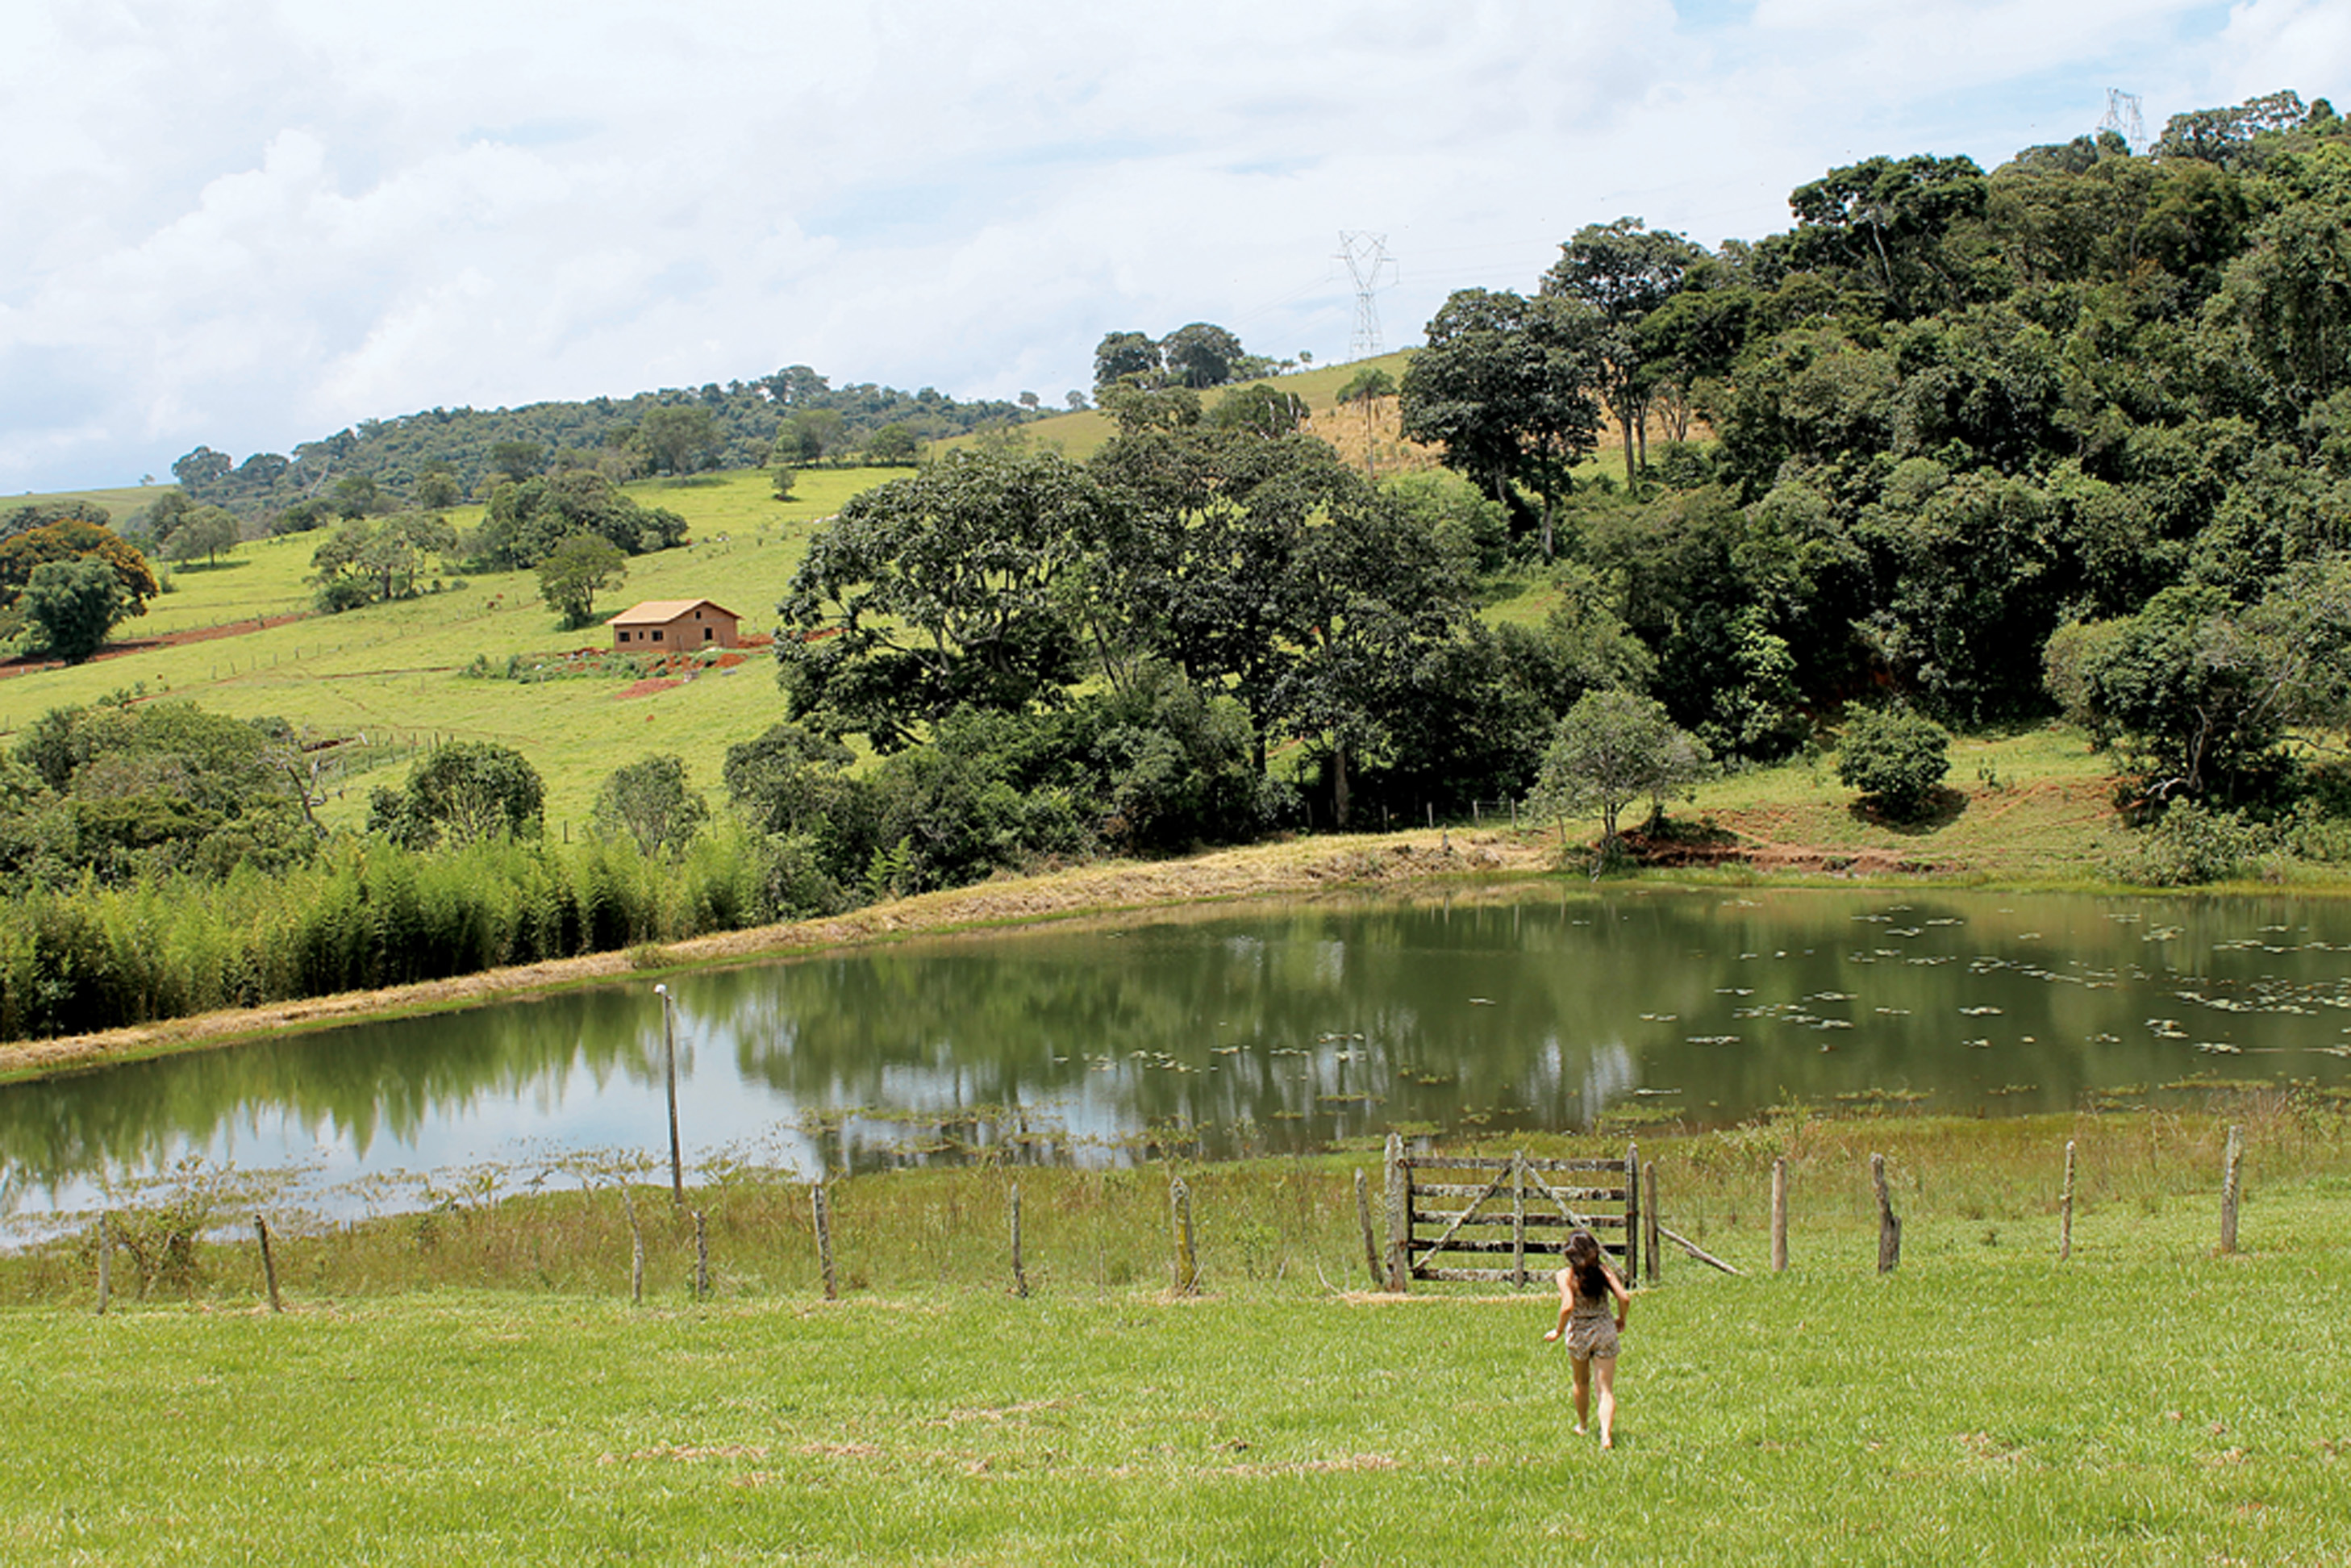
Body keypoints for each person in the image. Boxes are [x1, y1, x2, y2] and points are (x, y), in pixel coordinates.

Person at [1543, 1228, 1631, 1448]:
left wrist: (1558, 1330)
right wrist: (1621, 1318)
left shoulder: (1565, 1276)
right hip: (1605, 1331)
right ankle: (1606, 1436)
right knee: (1605, 1389)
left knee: (1581, 1382)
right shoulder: (1603, 1272)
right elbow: (1624, 1297)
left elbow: (1567, 1307)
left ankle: (1583, 1425)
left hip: (1579, 1334)